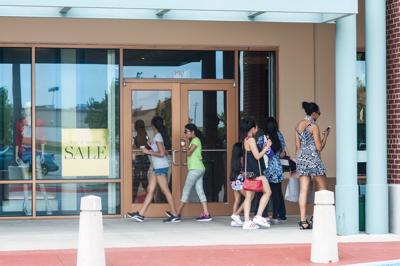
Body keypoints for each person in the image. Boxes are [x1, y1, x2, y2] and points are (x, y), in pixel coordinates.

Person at [128, 116, 180, 223]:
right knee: (150, 190)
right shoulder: (158, 136)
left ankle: (175, 214)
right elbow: (164, 152)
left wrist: (148, 152)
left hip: (160, 167)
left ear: (153, 126)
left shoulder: (158, 137)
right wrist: (148, 147)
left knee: (165, 190)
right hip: (157, 167)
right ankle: (141, 214)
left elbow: (161, 153)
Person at [295, 101, 331, 230]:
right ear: (314, 113)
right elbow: (319, 148)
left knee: (303, 190)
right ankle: (318, 217)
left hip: (301, 159)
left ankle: (303, 221)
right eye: (319, 113)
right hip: (313, 159)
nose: (319, 116)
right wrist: (326, 136)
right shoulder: (313, 126)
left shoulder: (299, 125)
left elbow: (297, 147)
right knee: (323, 187)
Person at [174, 123, 212, 221]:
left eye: (186, 132)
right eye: (184, 132)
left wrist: (186, 143)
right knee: (200, 190)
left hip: (196, 169)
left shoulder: (196, 140)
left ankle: (177, 213)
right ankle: (206, 213)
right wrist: (186, 146)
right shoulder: (193, 141)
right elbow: (189, 152)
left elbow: (189, 152)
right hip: (198, 168)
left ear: (193, 132)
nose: (185, 133)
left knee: (186, 190)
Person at [241, 118, 273, 229]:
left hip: (248, 172)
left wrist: (264, 148)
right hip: (256, 173)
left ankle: (246, 221)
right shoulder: (251, 140)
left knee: (249, 197)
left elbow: (253, 154)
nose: (257, 128)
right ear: (253, 128)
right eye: (256, 127)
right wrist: (267, 147)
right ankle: (258, 216)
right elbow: (257, 156)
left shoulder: (246, 139)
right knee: (268, 192)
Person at [264, 117, 287, 224]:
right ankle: (279, 215)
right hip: (277, 166)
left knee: (265, 191)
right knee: (277, 192)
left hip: (266, 167)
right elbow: (283, 152)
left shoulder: (264, 137)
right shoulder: (279, 135)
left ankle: (263, 214)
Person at [132, 119, 150, 203]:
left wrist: (134, 146)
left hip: (140, 160)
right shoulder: (146, 135)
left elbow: (140, 149)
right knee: (143, 181)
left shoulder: (139, 136)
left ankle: (131, 201)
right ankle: (152, 201)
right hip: (145, 160)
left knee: (137, 182)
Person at [230, 142, 246, 227]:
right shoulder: (242, 158)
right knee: (248, 197)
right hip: (239, 179)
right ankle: (236, 214)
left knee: (237, 199)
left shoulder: (233, 158)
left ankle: (234, 219)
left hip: (233, 179)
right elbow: (244, 170)